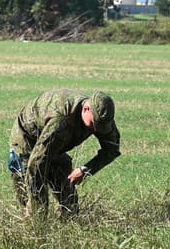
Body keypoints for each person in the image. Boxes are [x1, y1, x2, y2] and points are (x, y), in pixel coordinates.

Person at [8, 89, 121, 217]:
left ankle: (67, 225)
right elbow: (37, 163)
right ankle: (33, 229)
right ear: (86, 109)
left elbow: (111, 149)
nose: (96, 129)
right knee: (35, 201)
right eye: (94, 124)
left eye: (101, 126)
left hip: (54, 143)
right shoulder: (62, 119)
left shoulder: (102, 117)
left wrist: (85, 169)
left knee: (68, 199)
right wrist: (36, 206)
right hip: (28, 138)